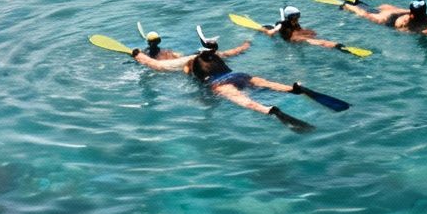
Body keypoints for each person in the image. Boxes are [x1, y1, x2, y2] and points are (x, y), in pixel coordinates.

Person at [132, 26, 311, 132]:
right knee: (264, 83)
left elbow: (160, 66)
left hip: (219, 83)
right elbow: (235, 52)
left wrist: (139, 56)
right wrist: (246, 44)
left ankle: (268, 110)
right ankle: (292, 88)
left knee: (244, 101)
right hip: (238, 74)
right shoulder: (217, 55)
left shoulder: (190, 60)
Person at [262, 6, 354, 52]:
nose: (297, 19)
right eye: (295, 17)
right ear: (289, 18)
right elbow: (273, 31)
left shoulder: (294, 22)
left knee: (313, 33)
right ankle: (339, 47)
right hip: (292, 40)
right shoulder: (281, 25)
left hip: (295, 35)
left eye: (298, 16)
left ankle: (336, 45)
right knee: (319, 42)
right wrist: (270, 32)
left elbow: (299, 30)